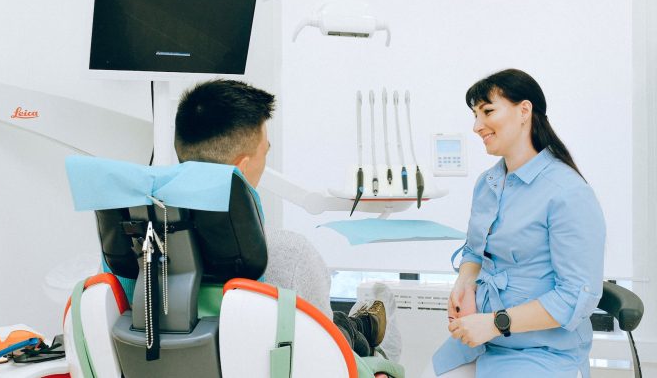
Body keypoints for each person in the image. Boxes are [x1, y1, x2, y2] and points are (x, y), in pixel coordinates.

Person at [174, 79, 387, 358]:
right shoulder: (290, 253)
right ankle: (362, 326)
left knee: (337, 323)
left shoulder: (137, 248)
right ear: (242, 167)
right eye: (265, 151)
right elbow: (326, 355)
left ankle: (357, 323)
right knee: (347, 335)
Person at [424, 69, 606, 378]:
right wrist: (464, 284)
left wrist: (495, 322)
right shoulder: (489, 183)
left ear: (524, 110)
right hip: (484, 340)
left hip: (542, 350)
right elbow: (474, 249)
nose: (476, 126)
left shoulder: (568, 193)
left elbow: (576, 296)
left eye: (487, 111)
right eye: (474, 114)